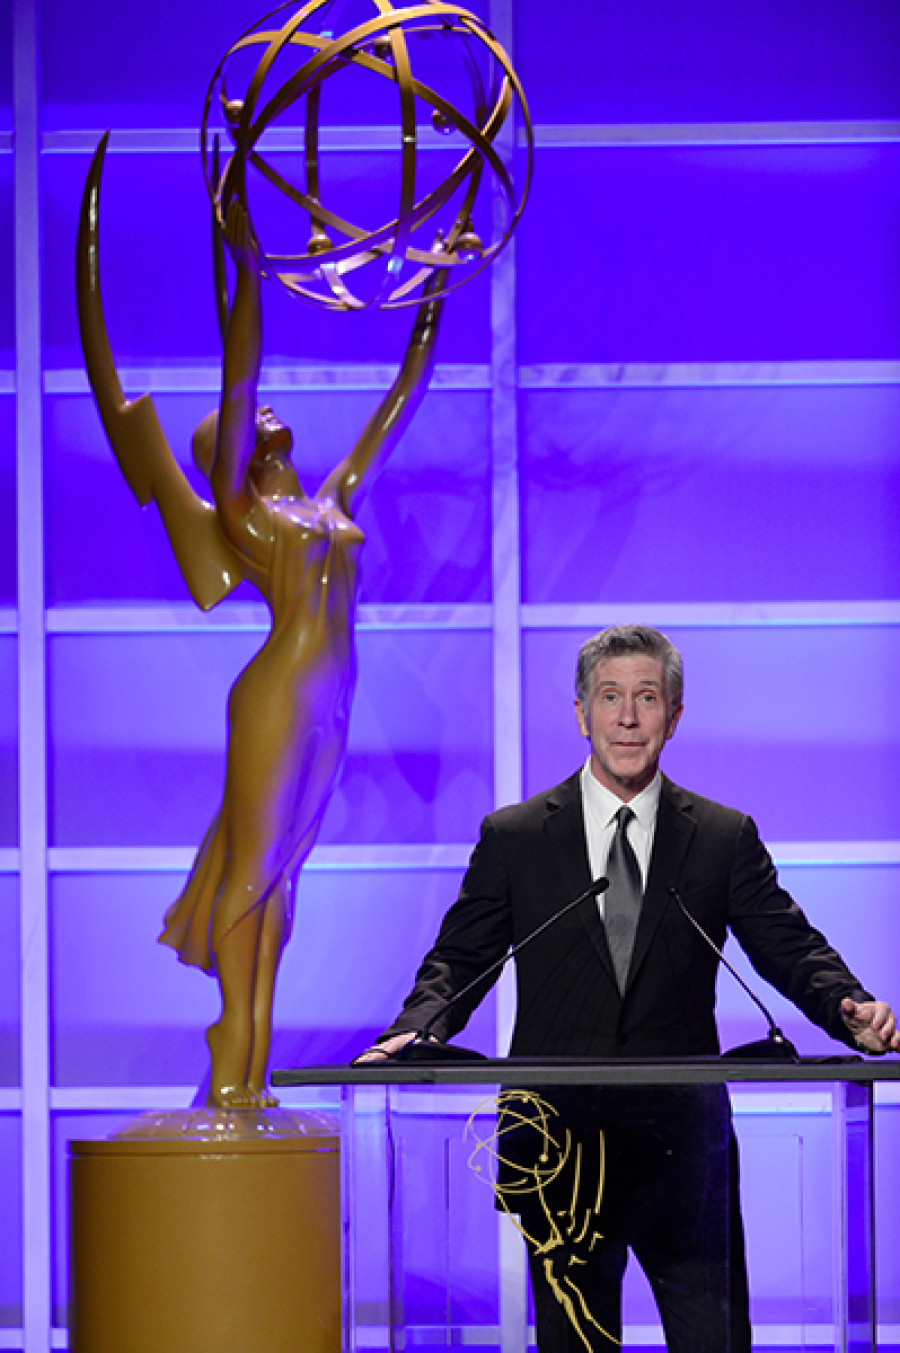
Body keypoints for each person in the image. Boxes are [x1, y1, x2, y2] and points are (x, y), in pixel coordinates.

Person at [357, 624, 899, 1351]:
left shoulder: (720, 836)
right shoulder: (517, 836)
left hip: (682, 1150)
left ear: (675, 715)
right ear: (581, 713)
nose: (628, 717)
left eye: (647, 697)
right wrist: (414, 1028)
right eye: (610, 697)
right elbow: (458, 959)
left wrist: (847, 1007)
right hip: (559, 1149)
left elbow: (790, 946)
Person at [76, 133, 446, 1109]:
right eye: (247, 417)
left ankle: (249, 1061)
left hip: (332, 702)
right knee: (253, 870)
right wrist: (241, 252)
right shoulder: (243, 515)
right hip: (278, 694)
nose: (267, 406)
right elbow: (240, 369)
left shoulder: (332, 500)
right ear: (227, 455)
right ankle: (233, 1046)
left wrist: (436, 288)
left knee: (286, 879)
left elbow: (402, 397)